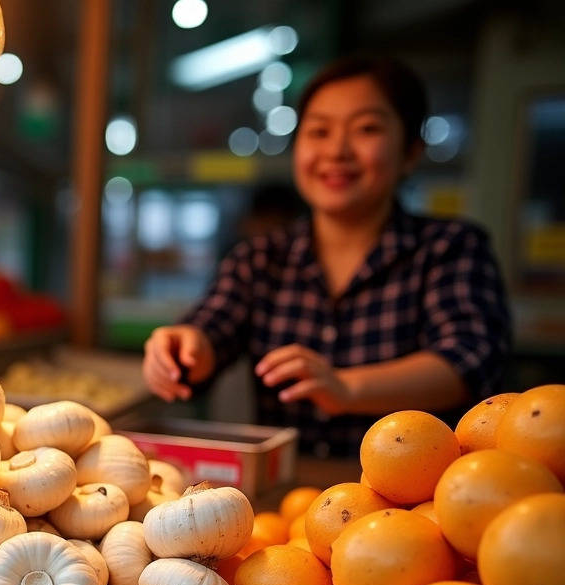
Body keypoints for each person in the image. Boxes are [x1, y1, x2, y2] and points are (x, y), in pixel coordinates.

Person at [143, 56, 511, 458]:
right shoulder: (259, 259)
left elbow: (469, 361)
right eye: (319, 131)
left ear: (409, 152)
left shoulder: (450, 248)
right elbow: (211, 330)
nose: (336, 150)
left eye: (366, 129)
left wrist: (346, 387)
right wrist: (184, 348)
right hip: (289, 499)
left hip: (412, 505)